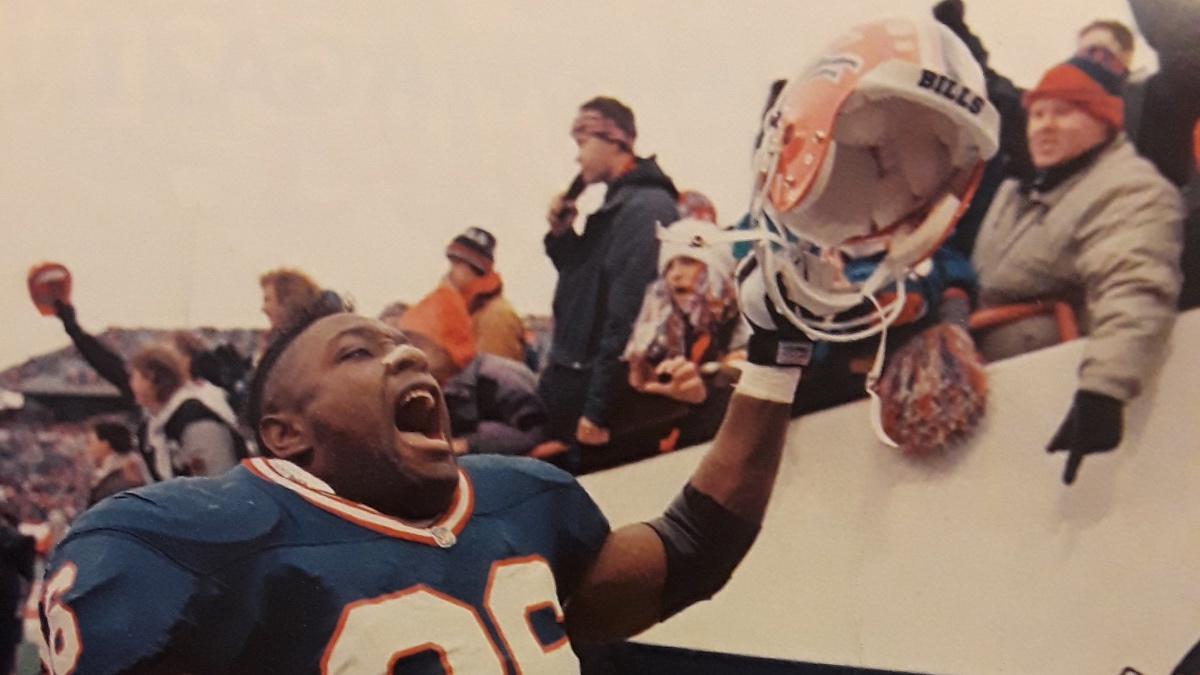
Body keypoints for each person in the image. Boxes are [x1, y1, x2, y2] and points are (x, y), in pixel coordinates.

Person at [36, 295, 798, 674]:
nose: (406, 360)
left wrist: (777, 354)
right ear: (285, 432)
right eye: (358, 353)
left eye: (404, 347)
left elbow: (691, 548)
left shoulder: (519, 499)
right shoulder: (191, 542)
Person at [970, 47, 1184, 485]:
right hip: (989, 398)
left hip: (1050, 393)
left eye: (1064, 113)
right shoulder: (1016, 194)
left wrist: (1102, 392)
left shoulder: (1129, 192)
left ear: (1105, 119)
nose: (1044, 126)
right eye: (1038, 114)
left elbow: (1134, 286)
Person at [541, 96, 679, 465]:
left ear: (614, 139)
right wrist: (562, 234)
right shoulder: (616, 207)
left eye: (582, 142)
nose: (577, 156)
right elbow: (582, 288)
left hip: (598, 402)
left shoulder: (644, 208)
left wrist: (596, 411)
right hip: (574, 383)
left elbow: (627, 316)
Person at [50, 301, 248, 480]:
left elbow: (218, 484)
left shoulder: (204, 404)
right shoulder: (158, 410)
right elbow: (109, 365)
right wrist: (73, 329)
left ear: (187, 360)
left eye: (168, 353)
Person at [397, 284, 550, 458]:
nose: (412, 350)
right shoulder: (439, 383)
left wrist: (468, 444)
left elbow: (537, 432)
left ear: (445, 343)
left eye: (419, 343)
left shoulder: (500, 377)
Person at [443, 226, 528, 363]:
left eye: (457, 264)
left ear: (476, 268)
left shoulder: (497, 316)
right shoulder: (471, 311)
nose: (449, 273)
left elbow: (493, 380)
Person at [0, 500, 34, 675]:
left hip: (8, 597)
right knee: (8, 651)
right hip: (9, 599)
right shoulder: (20, 541)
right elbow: (28, 576)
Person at [84, 421, 146, 507]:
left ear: (105, 444)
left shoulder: (129, 473)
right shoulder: (108, 473)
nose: (87, 448)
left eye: (90, 443)